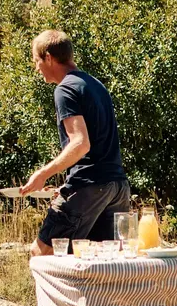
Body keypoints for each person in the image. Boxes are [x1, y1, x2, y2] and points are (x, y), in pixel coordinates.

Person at [22, 29, 130, 256]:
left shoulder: (65, 89)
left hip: (90, 185)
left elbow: (81, 144)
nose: (36, 68)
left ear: (48, 57)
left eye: (36, 61)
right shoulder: (95, 85)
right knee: (102, 262)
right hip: (117, 186)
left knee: (42, 252)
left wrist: (43, 173)